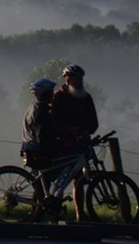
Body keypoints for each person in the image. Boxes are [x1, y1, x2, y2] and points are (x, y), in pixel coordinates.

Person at [51, 64, 99, 221]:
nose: (79, 82)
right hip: (63, 144)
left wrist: (86, 131)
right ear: (67, 79)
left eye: (81, 79)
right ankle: (55, 211)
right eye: (76, 79)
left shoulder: (86, 97)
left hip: (81, 145)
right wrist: (69, 131)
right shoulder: (59, 96)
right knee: (61, 180)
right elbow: (53, 121)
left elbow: (93, 122)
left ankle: (80, 214)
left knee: (79, 180)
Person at [21, 78, 60, 169]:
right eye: (50, 92)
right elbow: (42, 138)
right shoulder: (41, 112)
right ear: (44, 95)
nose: (53, 95)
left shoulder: (33, 107)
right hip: (37, 150)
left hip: (29, 147)